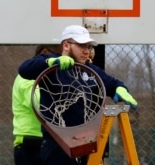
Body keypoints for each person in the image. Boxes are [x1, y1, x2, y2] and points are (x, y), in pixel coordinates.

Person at [18, 25, 138, 165]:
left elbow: (112, 83)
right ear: (66, 45)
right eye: (82, 46)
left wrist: (120, 89)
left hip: (85, 143)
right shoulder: (53, 64)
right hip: (57, 144)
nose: (87, 52)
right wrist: (51, 62)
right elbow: (24, 69)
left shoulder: (89, 70)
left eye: (89, 47)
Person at [12, 44, 61, 165]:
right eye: (57, 57)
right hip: (31, 142)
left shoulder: (48, 77)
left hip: (46, 141)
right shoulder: (28, 75)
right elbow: (38, 103)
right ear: (44, 52)